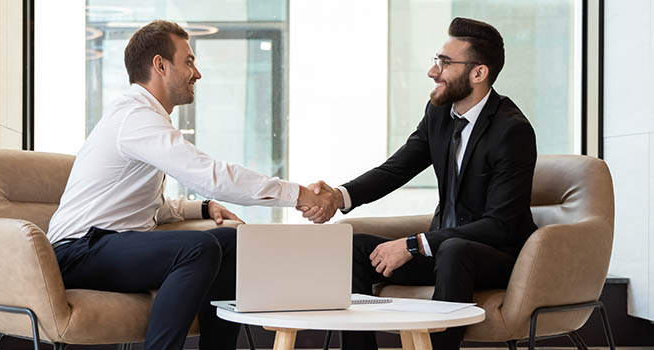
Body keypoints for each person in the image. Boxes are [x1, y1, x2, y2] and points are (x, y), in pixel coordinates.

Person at [46, 20, 332, 350]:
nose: (197, 74)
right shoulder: (134, 118)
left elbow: (149, 205)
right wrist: (297, 195)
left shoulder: (144, 120)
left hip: (108, 244)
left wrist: (204, 207)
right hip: (79, 250)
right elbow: (210, 175)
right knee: (199, 248)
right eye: (190, 61)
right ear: (160, 65)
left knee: (230, 242)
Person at [300, 17, 538, 350]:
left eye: (444, 62)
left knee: (455, 250)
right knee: (349, 247)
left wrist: (414, 244)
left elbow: (500, 225)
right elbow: (396, 169)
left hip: (494, 257)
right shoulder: (439, 113)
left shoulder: (511, 131)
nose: (432, 71)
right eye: (435, 60)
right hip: (442, 249)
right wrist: (338, 197)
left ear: (478, 73)